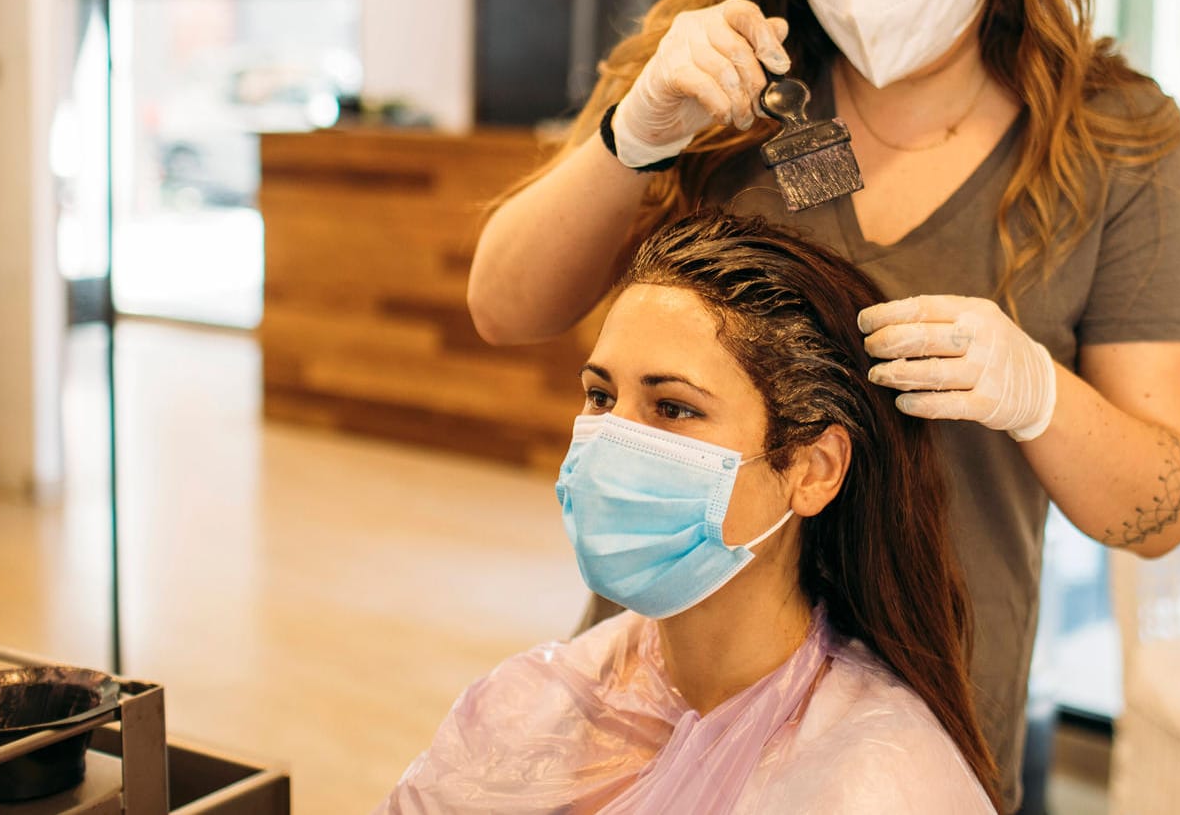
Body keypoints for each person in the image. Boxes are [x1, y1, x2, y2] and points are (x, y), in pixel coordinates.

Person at [467, 0, 1180, 807]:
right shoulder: (715, 77)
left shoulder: (1115, 142)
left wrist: (1039, 397)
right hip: (665, 702)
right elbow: (504, 305)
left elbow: (1160, 506)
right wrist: (638, 133)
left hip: (919, 726)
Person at [380, 211, 1000, 812]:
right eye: (600, 395)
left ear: (814, 469)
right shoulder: (535, 703)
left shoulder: (878, 779)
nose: (610, 443)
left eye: (672, 408)